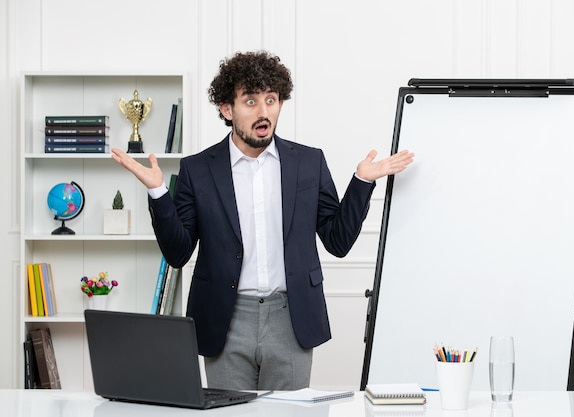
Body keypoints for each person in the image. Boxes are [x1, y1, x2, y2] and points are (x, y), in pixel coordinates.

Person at [111, 50, 413, 390]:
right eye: (250, 101)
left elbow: (338, 242)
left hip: (291, 318)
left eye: (271, 99)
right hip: (225, 319)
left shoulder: (309, 163)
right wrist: (158, 193)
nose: (264, 111)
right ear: (227, 109)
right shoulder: (198, 169)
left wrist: (361, 181)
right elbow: (178, 253)